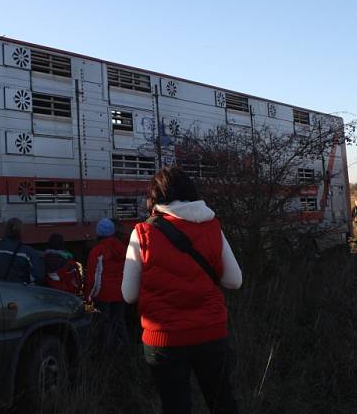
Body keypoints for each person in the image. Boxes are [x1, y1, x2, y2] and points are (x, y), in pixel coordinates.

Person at [122, 166, 242, 414]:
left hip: (164, 340)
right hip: (211, 333)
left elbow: (129, 294)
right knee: (222, 402)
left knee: (175, 406)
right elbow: (235, 280)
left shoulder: (142, 233)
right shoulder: (212, 227)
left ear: (155, 198)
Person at [85, 218, 128, 345]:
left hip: (102, 294)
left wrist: (88, 299)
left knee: (104, 324)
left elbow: (91, 277)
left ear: (99, 233)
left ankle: (106, 354)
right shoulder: (124, 249)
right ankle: (124, 351)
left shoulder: (97, 251)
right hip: (121, 293)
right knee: (119, 321)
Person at [0, 218, 45, 284]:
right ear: (21, 232)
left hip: (0, 291)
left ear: (6, 231)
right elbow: (38, 275)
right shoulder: (27, 252)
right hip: (20, 291)